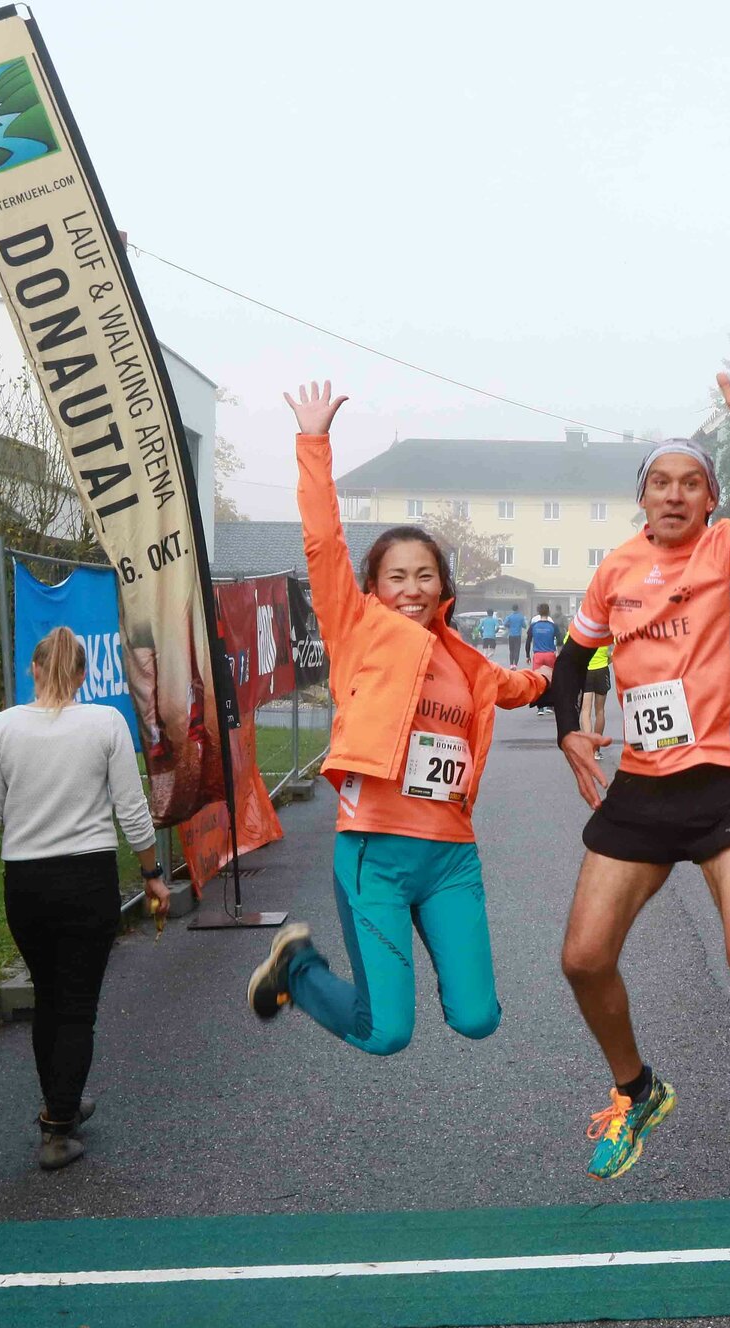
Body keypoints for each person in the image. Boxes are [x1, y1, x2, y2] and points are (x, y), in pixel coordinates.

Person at [547, 341, 730, 1217]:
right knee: (583, 958)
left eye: (690, 483)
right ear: (641, 495)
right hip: (644, 789)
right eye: (659, 482)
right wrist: (569, 732)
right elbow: (573, 656)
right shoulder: (616, 567)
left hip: (729, 785)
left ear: (710, 496)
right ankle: (636, 1090)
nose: (674, 494)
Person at [247, 382, 549, 1068]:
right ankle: (296, 968)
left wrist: (555, 675)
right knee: (386, 1031)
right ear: (375, 588)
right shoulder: (357, 628)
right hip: (374, 853)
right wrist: (314, 442)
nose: (411, 588)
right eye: (396, 577)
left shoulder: (465, 659)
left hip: (450, 856)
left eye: (425, 576)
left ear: (445, 587)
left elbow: (514, 686)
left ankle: (400, 973)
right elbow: (323, 543)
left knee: (478, 1018)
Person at [0, 625, 172, 1172]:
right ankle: (58, 1126)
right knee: (78, 1005)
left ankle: (60, 1099)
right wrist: (152, 873)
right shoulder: (105, 722)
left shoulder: (3, 727)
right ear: (82, 675)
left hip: (25, 883)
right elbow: (132, 810)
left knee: (49, 998)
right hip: (88, 880)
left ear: (33, 670)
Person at [528, 606, 560, 714]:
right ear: (549, 612)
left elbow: (528, 641)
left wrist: (528, 655)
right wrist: (558, 652)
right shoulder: (553, 626)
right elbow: (560, 640)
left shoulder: (533, 626)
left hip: (538, 655)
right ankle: (550, 706)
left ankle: (540, 707)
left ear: (538, 612)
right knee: (552, 680)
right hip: (550, 655)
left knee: (538, 680)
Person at [582, 642, 612, 736]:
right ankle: (597, 744)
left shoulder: (580, 629)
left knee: (585, 710)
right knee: (600, 710)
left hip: (585, 671)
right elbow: (614, 652)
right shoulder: (606, 632)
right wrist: (606, 661)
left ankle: (590, 744)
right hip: (602, 670)